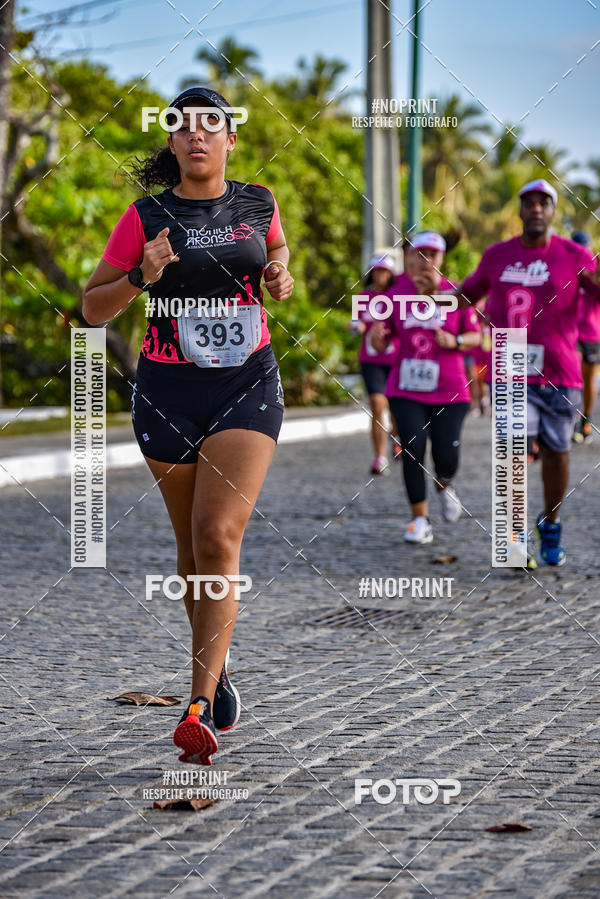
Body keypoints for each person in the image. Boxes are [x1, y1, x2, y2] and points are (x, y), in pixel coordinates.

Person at [82, 86, 294, 765]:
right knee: (189, 548)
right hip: (168, 390)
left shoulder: (258, 203)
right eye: (183, 127)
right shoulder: (145, 216)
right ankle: (219, 663)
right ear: (170, 143)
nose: (197, 135)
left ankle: (198, 703)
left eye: (212, 125)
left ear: (231, 139)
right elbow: (90, 309)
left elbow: (277, 248)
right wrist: (141, 278)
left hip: (246, 385)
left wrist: (282, 270)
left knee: (217, 533)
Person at [455, 179, 597, 566]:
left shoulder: (575, 254)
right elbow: (464, 295)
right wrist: (422, 305)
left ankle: (549, 524)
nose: (536, 208)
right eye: (528, 202)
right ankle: (515, 536)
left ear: (553, 211)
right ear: (520, 210)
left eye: (543, 203)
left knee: (557, 454)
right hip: (510, 362)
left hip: (561, 370)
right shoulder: (497, 255)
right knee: (513, 452)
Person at [371, 231, 481, 543]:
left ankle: (445, 482)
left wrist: (456, 340)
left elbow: (476, 337)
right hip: (405, 389)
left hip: (450, 389)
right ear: (409, 258)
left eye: (433, 255)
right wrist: (377, 339)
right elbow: (380, 341)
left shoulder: (456, 294)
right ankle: (419, 520)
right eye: (420, 255)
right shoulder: (395, 294)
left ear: (442, 259)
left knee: (446, 456)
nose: (426, 261)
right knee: (412, 451)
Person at [355, 253, 401, 474]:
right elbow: (357, 323)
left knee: (396, 408)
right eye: (376, 270)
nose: (379, 275)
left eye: (383, 271)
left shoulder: (399, 296)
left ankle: (398, 436)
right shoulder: (364, 296)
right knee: (376, 404)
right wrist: (357, 327)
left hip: (396, 360)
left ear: (391, 274)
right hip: (371, 359)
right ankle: (379, 457)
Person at [572, 230, 600, 444]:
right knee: (573, 373)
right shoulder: (566, 270)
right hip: (569, 333)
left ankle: (585, 419)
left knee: (589, 378)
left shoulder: (593, 271)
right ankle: (569, 418)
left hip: (592, 333)